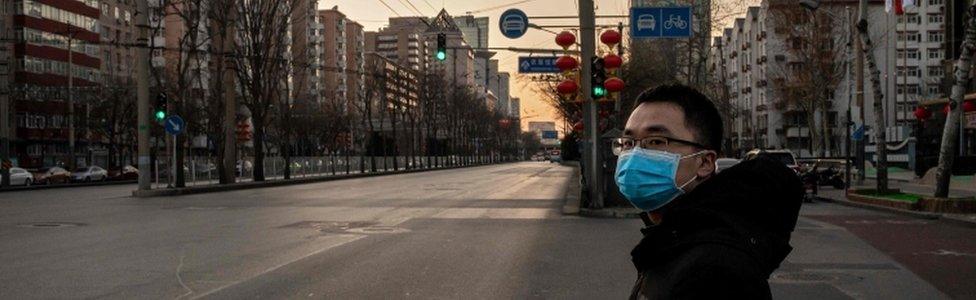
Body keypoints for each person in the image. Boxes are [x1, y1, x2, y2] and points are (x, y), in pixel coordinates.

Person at [613, 84, 803, 299]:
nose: (636, 154)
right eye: (628, 143)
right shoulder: (673, 241)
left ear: (705, 162)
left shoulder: (715, 271)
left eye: (656, 141)